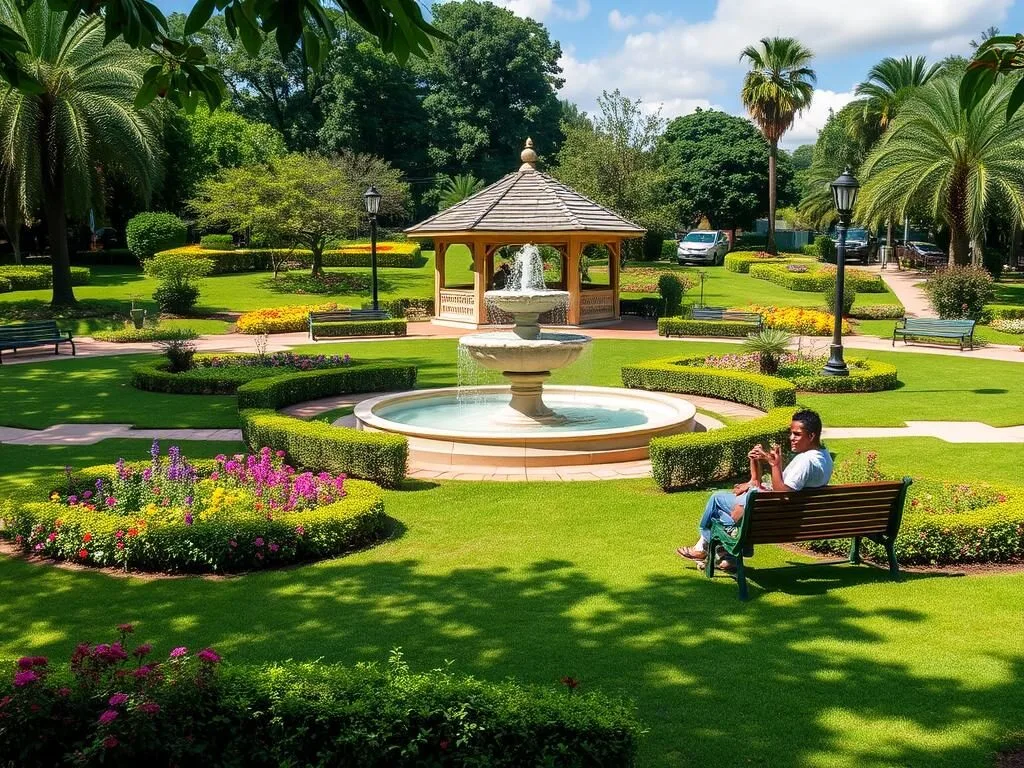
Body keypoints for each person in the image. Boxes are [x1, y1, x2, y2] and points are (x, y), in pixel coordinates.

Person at [676, 409, 833, 571]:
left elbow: (783, 494)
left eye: (797, 434)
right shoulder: (824, 456)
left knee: (717, 500)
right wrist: (758, 473)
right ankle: (728, 557)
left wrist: (774, 465)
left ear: (811, 436)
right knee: (736, 507)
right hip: (790, 517)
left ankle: (703, 547)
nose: (791, 438)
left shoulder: (805, 461)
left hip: (773, 519)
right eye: (791, 433)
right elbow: (785, 491)